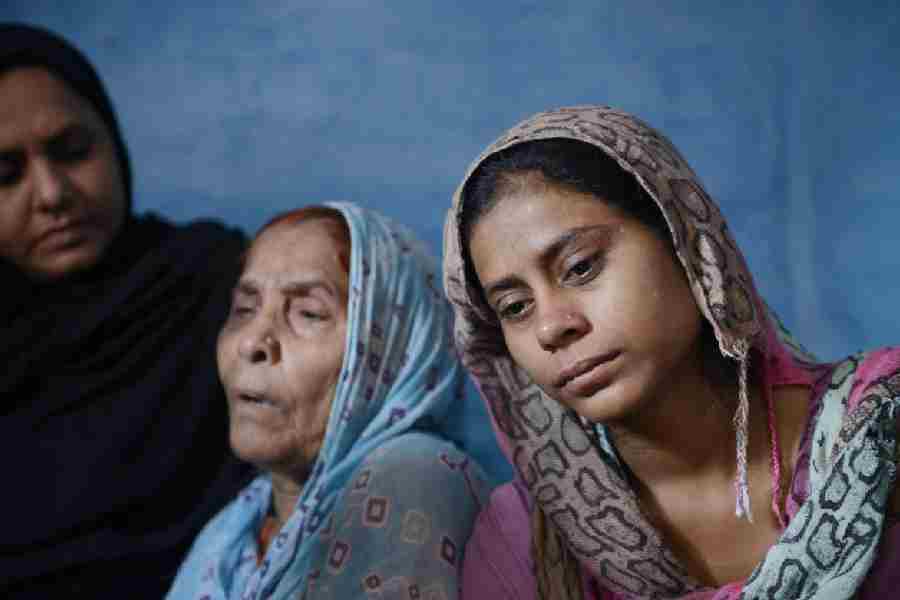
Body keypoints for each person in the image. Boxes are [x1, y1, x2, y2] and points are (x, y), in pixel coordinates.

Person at [442, 106, 900, 599]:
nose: (551, 326)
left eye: (580, 268)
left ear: (686, 244)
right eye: (514, 307)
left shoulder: (878, 436)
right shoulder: (523, 546)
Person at [0, 24, 253, 598]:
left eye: (72, 151)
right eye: (5, 174)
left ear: (112, 142)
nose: (52, 193)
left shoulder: (214, 284)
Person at [168, 203, 489, 599]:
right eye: (244, 309)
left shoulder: (416, 474)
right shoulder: (234, 532)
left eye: (308, 313)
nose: (252, 342)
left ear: (390, 353)